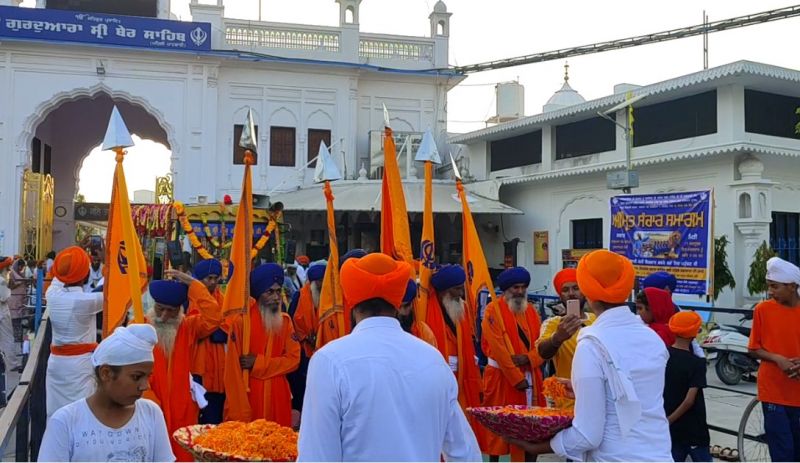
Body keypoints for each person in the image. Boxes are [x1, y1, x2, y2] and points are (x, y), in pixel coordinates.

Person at [298, 253, 481, 461]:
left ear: (350, 300)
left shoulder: (329, 361)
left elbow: (316, 455)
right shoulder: (433, 359)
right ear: (397, 302)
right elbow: (464, 453)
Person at [509, 250, 672, 461]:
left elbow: (587, 435)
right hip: (658, 454)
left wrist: (538, 447)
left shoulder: (592, 343)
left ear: (586, 290)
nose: (571, 294)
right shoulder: (652, 338)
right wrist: (580, 389)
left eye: (576, 287)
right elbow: (630, 395)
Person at [38, 324, 175, 462]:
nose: (145, 386)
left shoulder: (151, 413)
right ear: (106, 373)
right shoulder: (65, 422)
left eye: (148, 377)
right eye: (136, 377)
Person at [143, 270, 221, 462]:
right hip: (150, 403)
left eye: (172, 310)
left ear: (180, 310)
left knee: (182, 453)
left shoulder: (189, 326)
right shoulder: (140, 326)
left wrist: (193, 284)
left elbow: (214, 316)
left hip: (182, 409)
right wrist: (148, 400)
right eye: (160, 308)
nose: (165, 315)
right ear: (154, 306)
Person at [481, 267, 545, 461]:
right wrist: (516, 378)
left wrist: (530, 359)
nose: (519, 291)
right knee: (498, 425)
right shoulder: (493, 310)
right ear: (506, 289)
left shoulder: (532, 311)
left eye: (523, 287)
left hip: (529, 375)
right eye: (515, 287)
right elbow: (498, 349)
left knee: (530, 425)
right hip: (502, 378)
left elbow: (541, 344)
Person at [226, 263, 300, 426]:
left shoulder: (286, 322)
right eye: (270, 292)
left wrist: (258, 363)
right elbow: (232, 370)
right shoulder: (241, 323)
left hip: (278, 396)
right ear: (259, 294)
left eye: (278, 291)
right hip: (250, 394)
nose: (276, 297)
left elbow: (294, 360)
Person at [425, 264, 485, 450]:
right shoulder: (426, 309)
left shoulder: (463, 308)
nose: (461, 292)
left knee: (461, 430)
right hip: (437, 376)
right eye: (456, 288)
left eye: (462, 287)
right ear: (443, 290)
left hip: (462, 377)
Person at [747, 257, 800, 462]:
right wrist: (777, 358)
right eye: (769, 286)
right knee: (782, 449)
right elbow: (754, 348)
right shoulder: (763, 310)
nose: (770, 291)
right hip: (773, 391)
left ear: (792, 286)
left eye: (775, 286)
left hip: (796, 391)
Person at [45, 246, 104, 418]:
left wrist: (70, 259)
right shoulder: (86, 301)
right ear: (86, 275)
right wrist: (107, 258)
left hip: (56, 365)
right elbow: (115, 292)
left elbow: (59, 275)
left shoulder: (52, 293)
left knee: (55, 415)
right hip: (79, 367)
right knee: (81, 416)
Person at [536, 268, 596, 393]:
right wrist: (557, 338)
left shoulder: (596, 320)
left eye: (576, 288)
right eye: (565, 290)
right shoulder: (553, 323)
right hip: (565, 398)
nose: (571, 293)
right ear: (560, 296)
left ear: (583, 291)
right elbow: (542, 353)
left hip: (595, 394)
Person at [664, 311, 712, 462]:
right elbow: (690, 400)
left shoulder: (662, 355)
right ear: (695, 333)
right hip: (693, 428)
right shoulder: (697, 363)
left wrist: (667, 420)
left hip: (671, 426)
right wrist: (670, 420)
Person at [188, 259, 228, 425]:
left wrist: (212, 328)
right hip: (198, 368)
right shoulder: (188, 300)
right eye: (208, 278)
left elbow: (229, 325)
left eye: (215, 278)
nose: (212, 282)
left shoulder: (225, 300)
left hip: (221, 370)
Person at [291, 263, 325, 358]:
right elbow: (292, 321)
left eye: (324, 280)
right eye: (319, 281)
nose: (322, 284)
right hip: (302, 346)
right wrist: (305, 337)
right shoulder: (299, 296)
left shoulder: (328, 297)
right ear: (312, 283)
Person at [398, 279, 437, 347]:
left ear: (413, 304)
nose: (401, 312)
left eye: (406, 306)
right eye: (398, 307)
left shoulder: (424, 332)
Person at [0, 257, 21, 373]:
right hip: (2, 312)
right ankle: (12, 364)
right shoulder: (2, 280)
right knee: (8, 338)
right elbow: (4, 297)